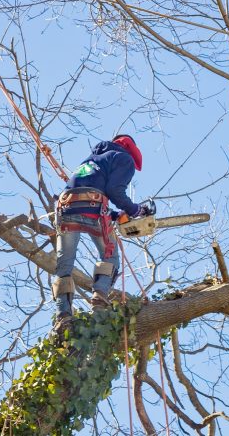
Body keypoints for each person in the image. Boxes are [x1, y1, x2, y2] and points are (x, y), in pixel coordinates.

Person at [52, 134, 156, 330]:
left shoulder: (91, 160)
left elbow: (92, 193)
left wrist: (116, 216)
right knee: (111, 257)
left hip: (66, 208)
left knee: (64, 264)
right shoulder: (124, 158)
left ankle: (63, 315)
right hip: (93, 209)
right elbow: (115, 191)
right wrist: (135, 210)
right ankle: (99, 299)